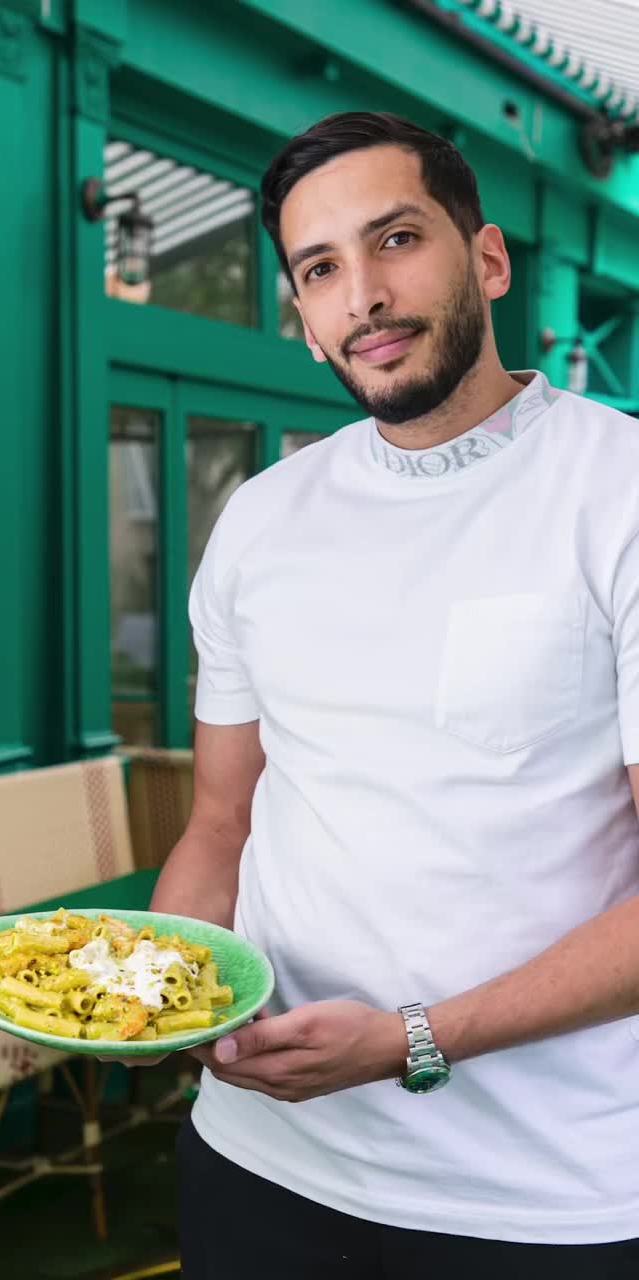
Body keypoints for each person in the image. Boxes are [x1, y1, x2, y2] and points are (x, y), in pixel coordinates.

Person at [152, 113, 639, 1276]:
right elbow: (221, 822)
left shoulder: (616, 489)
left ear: (489, 257)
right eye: (320, 268)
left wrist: (412, 1037)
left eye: (397, 239)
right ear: (303, 313)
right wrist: (162, 994)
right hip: (258, 1157)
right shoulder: (262, 518)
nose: (363, 294)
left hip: (542, 1199)